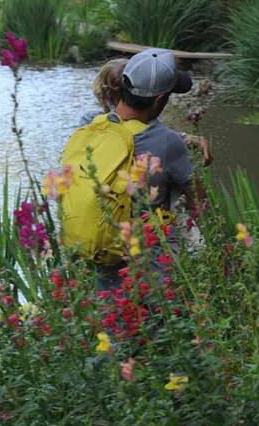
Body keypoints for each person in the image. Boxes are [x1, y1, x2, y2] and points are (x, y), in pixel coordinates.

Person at [80, 48, 200, 288]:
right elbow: (198, 202)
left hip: (98, 255)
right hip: (151, 274)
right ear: (159, 100)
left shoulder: (88, 128)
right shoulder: (166, 142)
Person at [83, 58, 213, 166]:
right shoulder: (92, 121)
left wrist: (186, 138)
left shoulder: (90, 121)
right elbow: (149, 137)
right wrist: (185, 140)